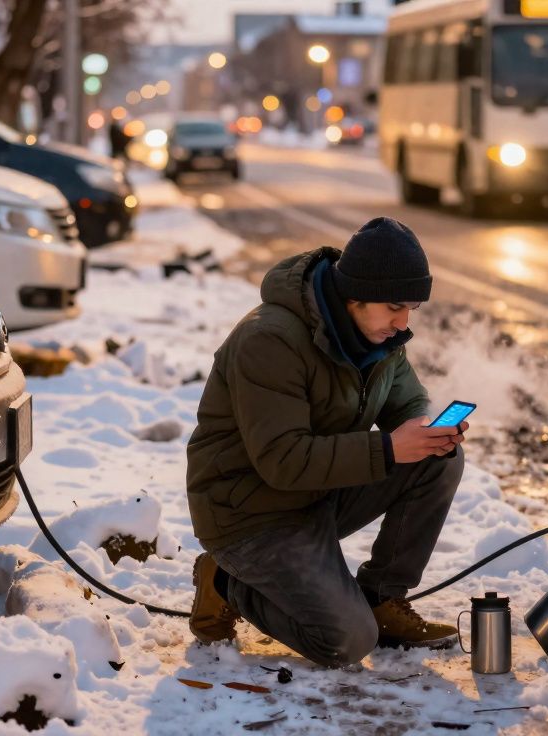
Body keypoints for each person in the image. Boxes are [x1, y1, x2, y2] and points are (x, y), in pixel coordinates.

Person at [185, 216, 468, 667]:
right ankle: (226, 582)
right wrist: (391, 448)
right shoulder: (269, 339)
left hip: (317, 492)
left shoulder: (377, 335)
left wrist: (426, 430)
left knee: (439, 459)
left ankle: (381, 597)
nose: (403, 321)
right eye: (395, 305)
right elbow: (282, 460)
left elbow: (405, 397)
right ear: (353, 294)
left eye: (412, 307)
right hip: (250, 512)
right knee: (346, 642)